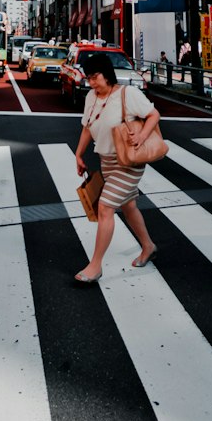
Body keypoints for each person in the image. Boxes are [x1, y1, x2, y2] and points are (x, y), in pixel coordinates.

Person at [71, 51, 161, 283]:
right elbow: (87, 127)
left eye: (95, 77)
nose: (91, 82)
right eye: (88, 78)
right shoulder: (91, 97)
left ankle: (95, 266)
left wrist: (141, 136)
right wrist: (79, 154)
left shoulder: (127, 94)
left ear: (107, 74)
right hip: (107, 161)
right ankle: (148, 245)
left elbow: (153, 115)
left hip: (129, 161)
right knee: (128, 205)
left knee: (105, 207)